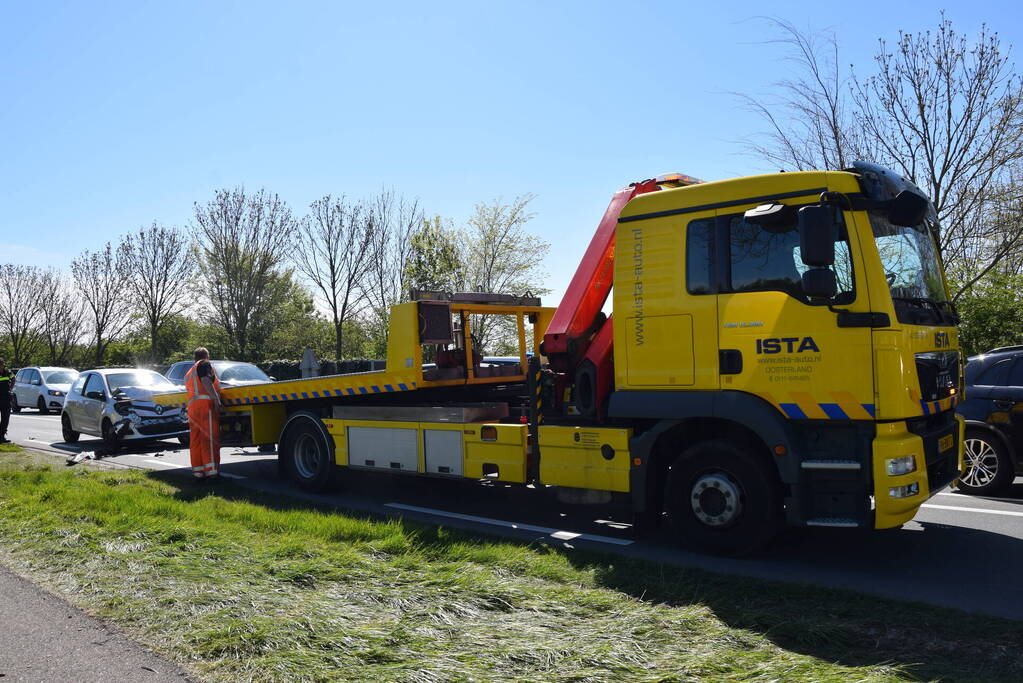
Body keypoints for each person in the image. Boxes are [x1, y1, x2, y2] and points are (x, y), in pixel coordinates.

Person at [185, 347, 223, 481]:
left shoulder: (190, 371)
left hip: (193, 408)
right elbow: (206, 381)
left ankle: (199, 474)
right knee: (209, 439)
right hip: (205, 406)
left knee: (196, 441)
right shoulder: (204, 364)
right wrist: (216, 399)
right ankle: (212, 474)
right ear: (207, 356)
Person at [0, 359, 11, 444]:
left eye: (2, 365)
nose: (1, 367)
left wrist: (11, 388)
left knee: (5, 419)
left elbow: (14, 379)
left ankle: (2, 436)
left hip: (6, 399)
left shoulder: (7, 372)